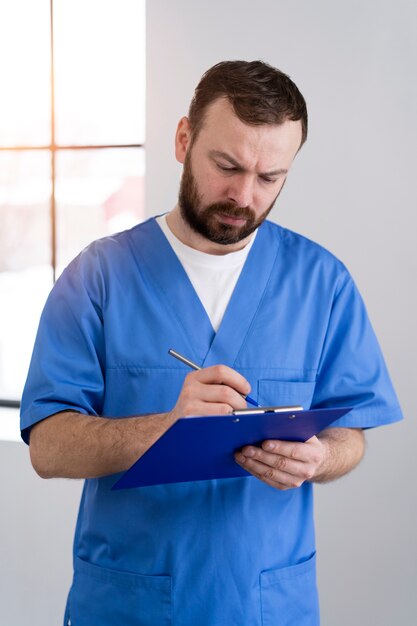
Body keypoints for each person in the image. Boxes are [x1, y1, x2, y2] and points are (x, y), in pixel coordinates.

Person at [21, 60, 402, 626]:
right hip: (131, 604)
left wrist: (321, 456)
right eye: (226, 165)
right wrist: (163, 427)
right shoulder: (97, 277)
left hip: (268, 605)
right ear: (183, 140)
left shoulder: (323, 283)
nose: (243, 195)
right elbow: (48, 448)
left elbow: (351, 433)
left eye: (269, 177)